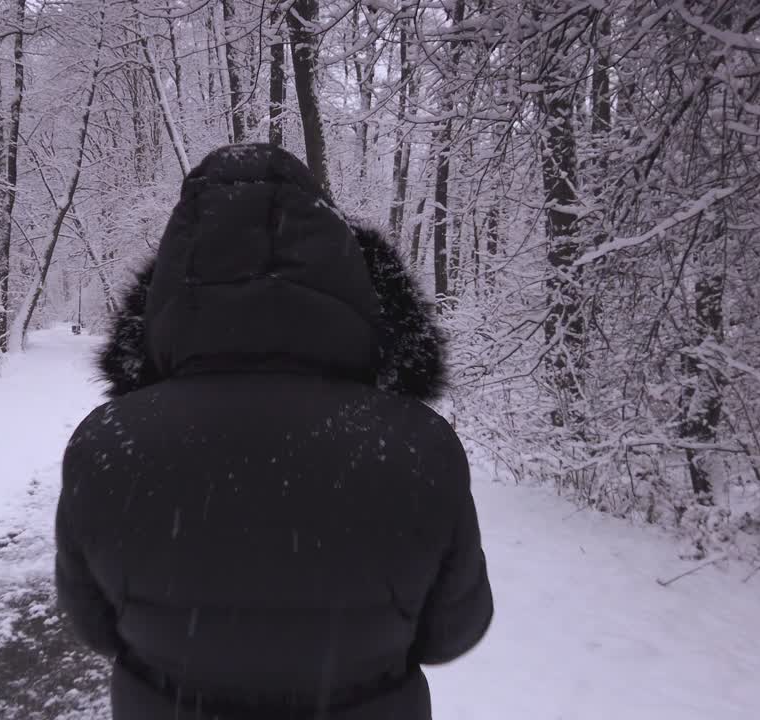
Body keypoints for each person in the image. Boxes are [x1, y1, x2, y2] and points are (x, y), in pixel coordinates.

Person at [55, 144, 492, 720]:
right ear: (350, 275)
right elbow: (452, 634)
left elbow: (92, 628)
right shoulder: (419, 447)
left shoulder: (107, 445)